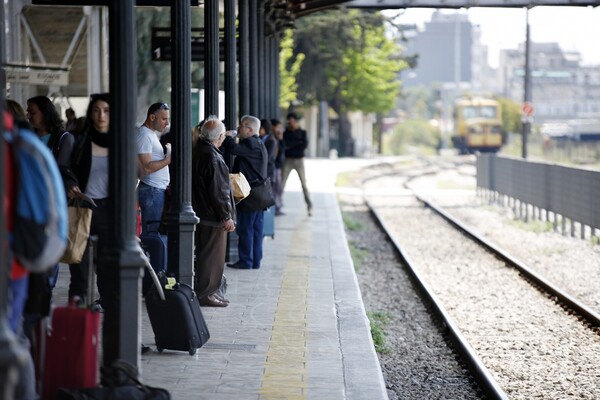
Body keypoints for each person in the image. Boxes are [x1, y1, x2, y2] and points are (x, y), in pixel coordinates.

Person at [65, 93, 117, 365]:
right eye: (96, 110)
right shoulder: (82, 141)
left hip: (110, 212)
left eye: (106, 111)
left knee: (108, 270)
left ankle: (106, 329)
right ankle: (77, 324)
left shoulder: (120, 143)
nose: (101, 116)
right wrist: (72, 184)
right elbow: (68, 168)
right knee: (79, 266)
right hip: (84, 209)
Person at [191, 116, 236, 307]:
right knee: (213, 256)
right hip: (212, 215)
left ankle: (210, 291)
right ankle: (207, 293)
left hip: (203, 212)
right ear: (219, 137)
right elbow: (219, 191)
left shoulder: (200, 151)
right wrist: (226, 215)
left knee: (206, 254)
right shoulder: (212, 156)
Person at [222, 115, 268, 270]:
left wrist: (227, 137)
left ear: (249, 129)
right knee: (256, 229)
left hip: (250, 195)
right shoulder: (259, 143)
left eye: (241, 126)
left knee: (246, 228)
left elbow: (233, 149)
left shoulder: (250, 142)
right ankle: (255, 261)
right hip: (260, 195)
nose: (237, 128)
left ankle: (246, 261)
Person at [136, 102, 171, 235]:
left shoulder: (150, 134)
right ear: (152, 117)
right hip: (152, 190)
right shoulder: (144, 135)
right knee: (151, 232)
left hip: (155, 189)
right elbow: (146, 166)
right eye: (164, 119)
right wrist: (168, 160)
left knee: (153, 231)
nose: (167, 123)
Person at [281, 112, 312, 216]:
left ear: (296, 121)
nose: (291, 123)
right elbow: (285, 146)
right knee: (282, 183)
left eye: (292, 121)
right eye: (289, 121)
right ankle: (277, 204)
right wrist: (297, 143)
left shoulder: (302, 133)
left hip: (299, 160)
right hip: (288, 160)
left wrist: (294, 144)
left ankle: (309, 206)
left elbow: (304, 145)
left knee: (304, 184)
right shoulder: (286, 133)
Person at [270, 118, 285, 216]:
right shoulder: (271, 139)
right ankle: (276, 207)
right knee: (276, 187)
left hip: (278, 165)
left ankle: (278, 206)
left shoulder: (278, 138)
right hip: (274, 166)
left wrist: (281, 139)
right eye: (278, 127)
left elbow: (283, 150)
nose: (279, 129)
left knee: (278, 187)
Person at [260, 118, 277, 184]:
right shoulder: (260, 138)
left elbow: (268, 157)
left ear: (264, 128)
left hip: (268, 172)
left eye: (260, 128)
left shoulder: (271, 140)